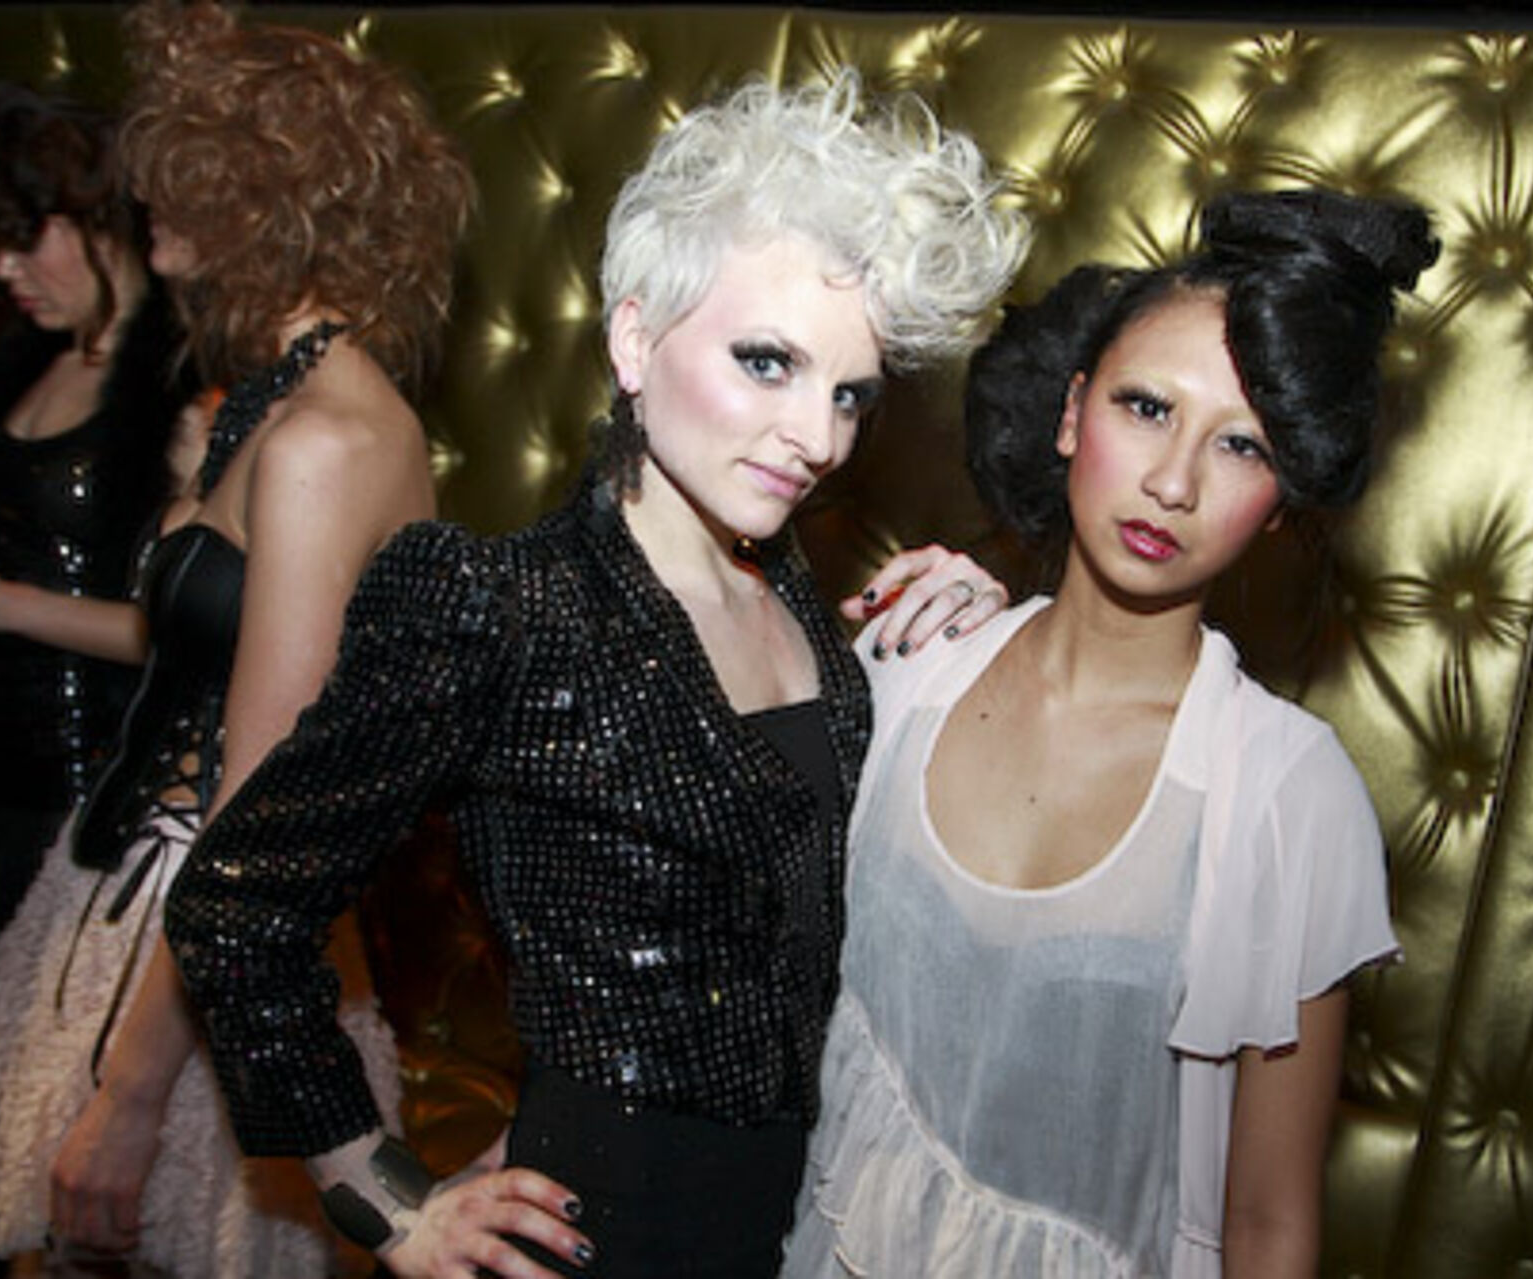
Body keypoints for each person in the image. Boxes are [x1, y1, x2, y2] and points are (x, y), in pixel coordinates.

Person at [165, 70, 1027, 1279]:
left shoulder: (801, 602)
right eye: (768, 363)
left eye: (850, 393)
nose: (819, 437)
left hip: (811, 1217)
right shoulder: (500, 608)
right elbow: (233, 905)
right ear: (633, 338)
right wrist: (386, 1201)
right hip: (602, 1235)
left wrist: (981, 644)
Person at [782, 189, 1438, 1279]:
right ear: (1071, 412)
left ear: (1282, 501)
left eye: (1242, 445)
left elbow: (1270, 1224)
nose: (1174, 482)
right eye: (1146, 407)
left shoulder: (1288, 797)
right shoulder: (910, 662)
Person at [0, 1, 474, 1274]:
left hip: (199, 970)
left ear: (252, 193)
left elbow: (256, 821)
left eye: (176, 169)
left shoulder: (330, 436)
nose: (146, 199)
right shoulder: (267, 405)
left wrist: (130, 1095)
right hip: (130, 915)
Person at [0, 85, 190, 1028]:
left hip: (93, 799)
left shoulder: (181, 381)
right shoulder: (25, 356)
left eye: (24, 238)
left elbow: (199, 634)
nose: (4, 267)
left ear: (98, 218)